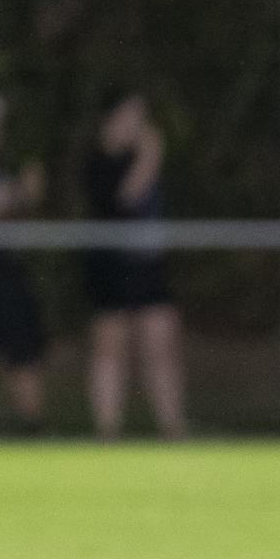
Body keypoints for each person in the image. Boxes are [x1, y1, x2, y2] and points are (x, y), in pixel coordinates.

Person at [82, 92, 187, 441]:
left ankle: (173, 428)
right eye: (129, 116)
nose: (137, 126)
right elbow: (122, 200)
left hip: (148, 266)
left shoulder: (140, 159)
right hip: (111, 265)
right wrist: (151, 155)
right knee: (111, 345)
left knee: (161, 340)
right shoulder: (101, 162)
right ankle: (108, 431)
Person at [0, 92, 48, 435]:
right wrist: (19, 192)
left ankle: (33, 428)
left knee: (23, 348)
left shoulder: (8, 161)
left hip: (5, 267)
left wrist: (25, 192)